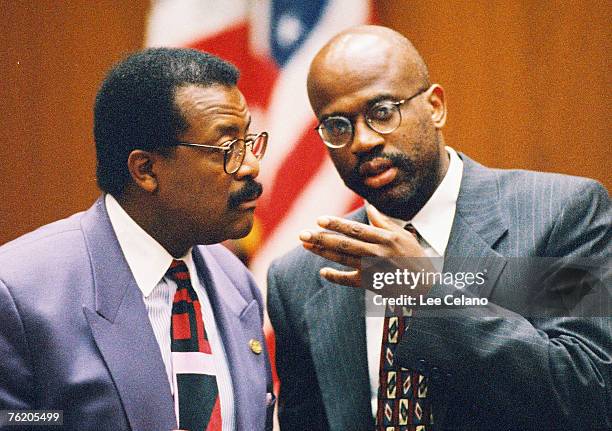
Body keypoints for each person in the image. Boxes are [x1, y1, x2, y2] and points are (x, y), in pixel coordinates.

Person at [267, 25, 611, 430]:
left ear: (435, 107)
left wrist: (432, 294)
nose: (362, 141)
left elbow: (589, 396)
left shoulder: (556, 216)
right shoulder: (300, 279)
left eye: (381, 112)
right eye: (338, 126)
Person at [0, 48, 274, 431]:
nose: (251, 165)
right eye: (228, 148)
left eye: (249, 140)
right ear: (145, 169)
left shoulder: (237, 283)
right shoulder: (19, 291)